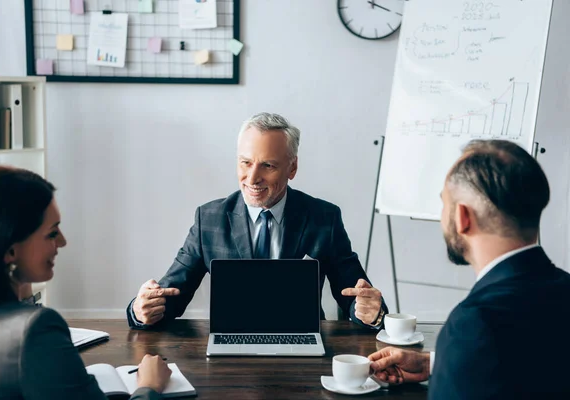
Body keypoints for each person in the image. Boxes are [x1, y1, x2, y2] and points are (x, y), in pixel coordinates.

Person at [127, 112, 388, 329]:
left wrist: (371, 311)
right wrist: (142, 310)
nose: (252, 179)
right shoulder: (209, 219)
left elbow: (356, 295)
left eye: (268, 166)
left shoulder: (324, 218)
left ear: (292, 168)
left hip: (302, 339)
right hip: (229, 338)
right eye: (245, 163)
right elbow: (171, 296)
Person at [368, 140, 570, 399]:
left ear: (462, 217)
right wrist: (436, 363)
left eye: (444, 204)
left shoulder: (474, 324)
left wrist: (458, 356)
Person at [0, 166, 171, 399]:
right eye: (52, 233)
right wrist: (149, 386)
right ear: (11, 248)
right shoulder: (35, 329)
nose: (63, 242)